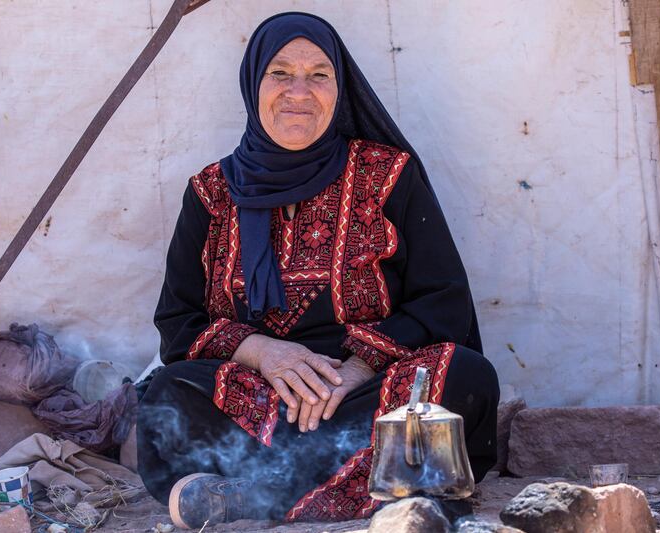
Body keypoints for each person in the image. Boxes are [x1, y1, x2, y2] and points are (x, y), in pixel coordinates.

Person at [137, 11, 499, 529]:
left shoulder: (388, 174)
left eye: (318, 75)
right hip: (260, 399)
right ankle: (390, 490)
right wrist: (266, 353)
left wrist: (351, 372)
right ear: (253, 82)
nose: (298, 92)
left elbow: (443, 300)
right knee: (169, 392)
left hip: (369, 391)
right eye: (280, 73)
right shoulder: (210, 194)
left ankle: (255, 497)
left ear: (339, 86)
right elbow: (178, 323)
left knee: (464, 373)